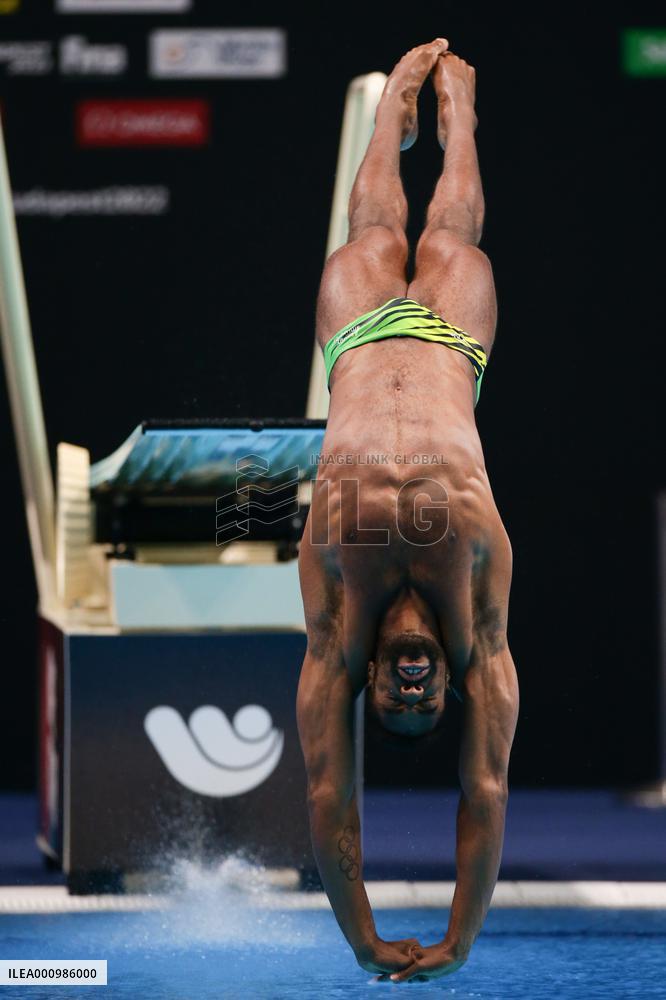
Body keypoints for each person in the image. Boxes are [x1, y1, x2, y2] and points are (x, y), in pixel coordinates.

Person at [296, 38, 519, 983]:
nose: (416, 693)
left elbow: (328, 801)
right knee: (450, 245)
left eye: (398, 705)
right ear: (453, 693)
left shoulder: (334, 631)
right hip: (445, 355)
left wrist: (363, 940)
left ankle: (394, 112)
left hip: (354, 349)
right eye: (431, 704)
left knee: (371, 240)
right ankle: (460, 108)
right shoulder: (482, 634)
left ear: (372, 689)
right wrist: (460, 939)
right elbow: (484, 790)